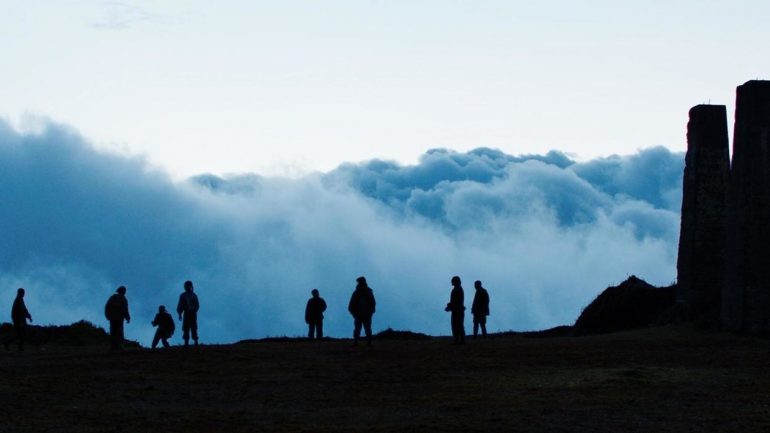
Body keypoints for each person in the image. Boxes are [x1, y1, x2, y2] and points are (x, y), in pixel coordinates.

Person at [348, 276, 376, 346]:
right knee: (361, 328)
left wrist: (370, 311)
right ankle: (360, 342)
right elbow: (352, 304)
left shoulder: (361, 292)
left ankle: (361, 342)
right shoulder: (360, 292)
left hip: (364, 314)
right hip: (360, 314)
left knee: (363, 328)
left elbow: (373, 303)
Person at [105, 286, 131, 350]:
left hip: (112, 318)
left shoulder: (112, 298)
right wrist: (128, 317)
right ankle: (119, 345)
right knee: (119, 332)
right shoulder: (123, 299)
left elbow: (107, 307)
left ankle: (113, 346)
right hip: (119, 318)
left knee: (113, 331)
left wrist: (107, 315)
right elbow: (125, 309)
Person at [177, 280, 200, 346]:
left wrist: (194, 311)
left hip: (192, 313)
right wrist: (180, 313)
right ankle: (186, 342)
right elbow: (180, 305)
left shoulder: (193, 295)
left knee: (193, 327)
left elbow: (197, 305)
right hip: (187, 313)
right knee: (186, 328)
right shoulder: (183, 295)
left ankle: (195, 342)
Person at [444, 276, 465, 344]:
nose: (452, 283)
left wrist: (449, 306)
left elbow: (455, 301)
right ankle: (460, 340)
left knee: (457, 325)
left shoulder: (457, 289)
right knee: (458, 325)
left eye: (452, 281)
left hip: (457, 310)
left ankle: (458, 340)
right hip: (458, 310)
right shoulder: (458, 289)